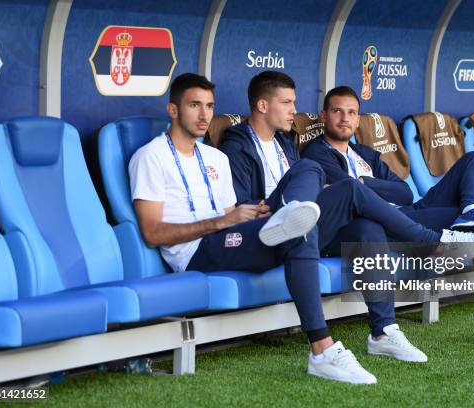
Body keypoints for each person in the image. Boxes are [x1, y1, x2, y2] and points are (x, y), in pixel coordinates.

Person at [129, 73, 377, 385]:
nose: (205, 114)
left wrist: (253, 213)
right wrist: (223, 222)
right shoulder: (150, 156)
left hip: (229, 237)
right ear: (173, 110)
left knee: (307, 196)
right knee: (298, 230)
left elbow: (230, 212)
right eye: (195, 105)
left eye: (209, 106)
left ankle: (367, 335)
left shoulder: (215, 157)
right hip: (197, 252)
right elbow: (153, 232)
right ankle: (322, 350)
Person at [301, 85, 474, 350]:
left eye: (352, 112)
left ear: (358, 119)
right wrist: (363, 185)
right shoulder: (316, 153)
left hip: (408, 214)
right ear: (324, 116)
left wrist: (363, 180)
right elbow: (351, 194)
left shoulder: (365, 154)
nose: (345, 118)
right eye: (337, 111)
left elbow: (402, 192)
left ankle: (472, 213)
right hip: (375, 228)